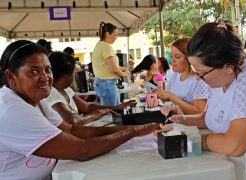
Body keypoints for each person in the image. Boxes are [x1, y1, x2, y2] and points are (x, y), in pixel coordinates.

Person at [0, 40, 161, 179]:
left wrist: (132, 129)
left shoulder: (35, 99)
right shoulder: (11, 109)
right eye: (33, 71)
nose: (45, 77)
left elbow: (71, 130)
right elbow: (82, 150)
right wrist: (132, 132)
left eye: (47, 70)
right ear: (11, 77)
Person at [161, 22, 246, 180]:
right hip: (228, 163)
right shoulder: (220, 79)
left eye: (202, 73)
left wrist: (192, 140)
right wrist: (182, 121)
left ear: (228, 67)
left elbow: (235, 145)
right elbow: (212, 118)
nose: (198, 77)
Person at [47, 51, 137, 125]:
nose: (75, 76)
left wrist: (117, 106)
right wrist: (97, 114)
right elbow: (74, 121)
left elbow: (88, 107)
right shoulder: (51, 94)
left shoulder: (66, 90)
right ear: (65, 76)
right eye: (73, 73)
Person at [154, 38, 209, 114]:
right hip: (177, 120)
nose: (172, 60)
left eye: (177, 57)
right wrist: (159, 94)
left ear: (189, 59)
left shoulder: (199, 79)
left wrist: (170, 96)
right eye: (172, 56)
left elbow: (199, 111)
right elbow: (168, 98)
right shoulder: (175, 75)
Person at [92, 22, 130, 106]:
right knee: (113, 113)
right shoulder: (105, 46)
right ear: (107, 34)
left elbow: (111, 65)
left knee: (112, 111)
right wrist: (124, 74)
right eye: (114, 35)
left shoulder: (100, 45)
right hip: (107, 83)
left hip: (104, 83)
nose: (116, 38)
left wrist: (123, 68)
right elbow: (114, 68)